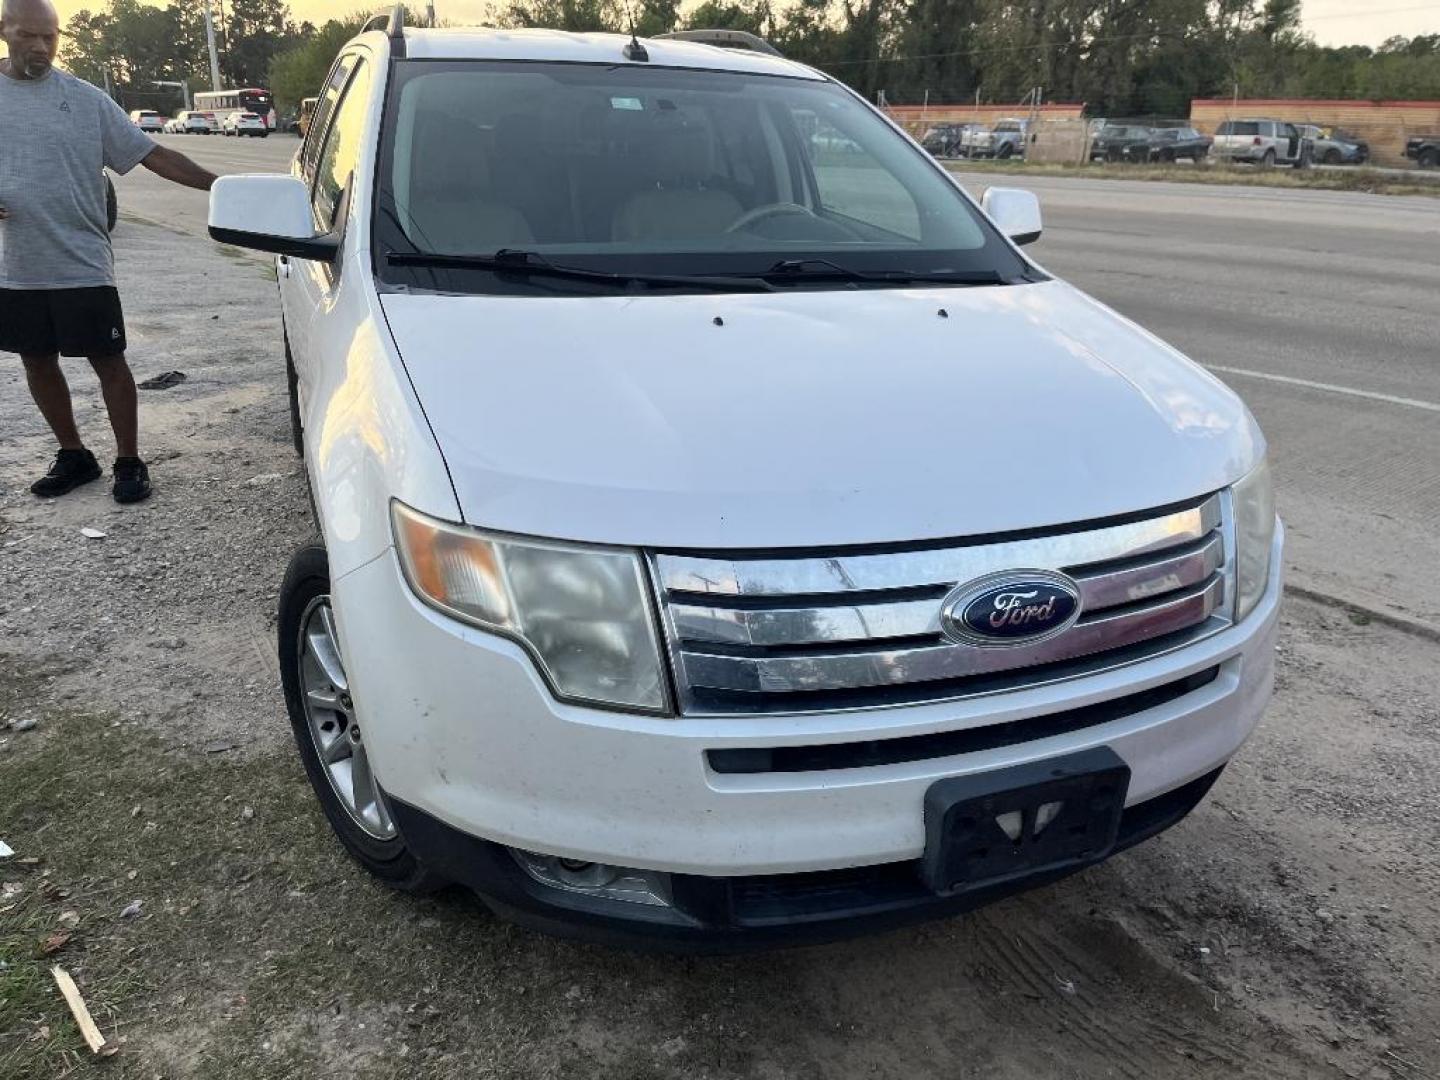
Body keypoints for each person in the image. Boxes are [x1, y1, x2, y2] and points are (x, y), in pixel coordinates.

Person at [0, 0, 218, 503]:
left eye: (49, 37)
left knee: (109, 360)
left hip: (82, 262)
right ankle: (74, 455)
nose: (40, 47)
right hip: (18, 267)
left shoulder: (84, 100)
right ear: (5, 31)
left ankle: (129, 461)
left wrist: (225, 187)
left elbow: (153, 155)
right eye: (28, 36)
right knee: (36, 361)